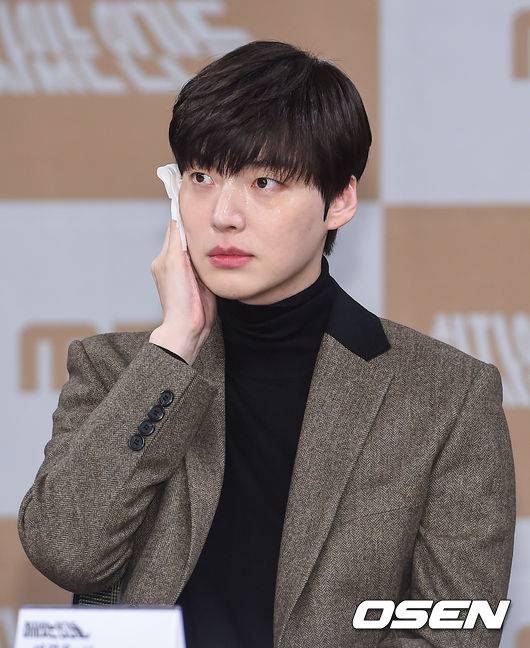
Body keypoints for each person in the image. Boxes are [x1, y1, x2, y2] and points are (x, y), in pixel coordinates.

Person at [18, 40, 516, 648]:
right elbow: (65, 554)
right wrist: (174, 345)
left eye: (265, 181)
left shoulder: (446, 396)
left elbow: (457, 630)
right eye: (201, 177)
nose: (224, 215)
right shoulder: (119, 371)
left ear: (339, 201)